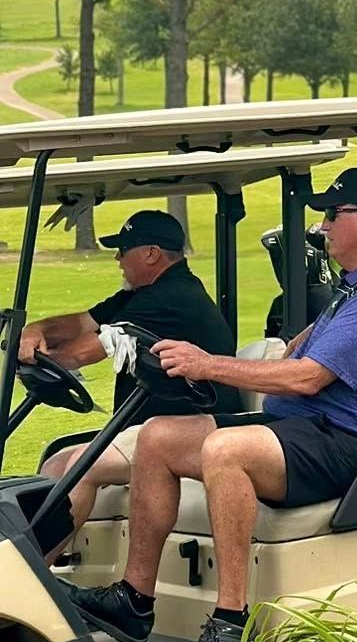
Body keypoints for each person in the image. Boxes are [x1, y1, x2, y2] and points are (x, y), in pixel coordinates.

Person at [68, 167, 357, 642]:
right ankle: (135, 598)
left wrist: (206, 363)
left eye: (332, 215)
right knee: (160, 435)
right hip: (306, 431)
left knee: (225, 450)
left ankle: (231, 620)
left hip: (345, 445)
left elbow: (305, 379)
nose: (323, 226)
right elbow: (307, 350)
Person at [19, 210, 238, 555]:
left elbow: (80, 353)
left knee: (79, 466)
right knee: (56, 462)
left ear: (151, 253)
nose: (118, 259)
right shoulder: (142, 293)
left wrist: (36, 359)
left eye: (124, 250)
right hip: (154, 427)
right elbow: (82, 323)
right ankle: (44, 567)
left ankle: (28, 572)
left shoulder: (170, 297)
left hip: (192, 430)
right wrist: (35, 331)